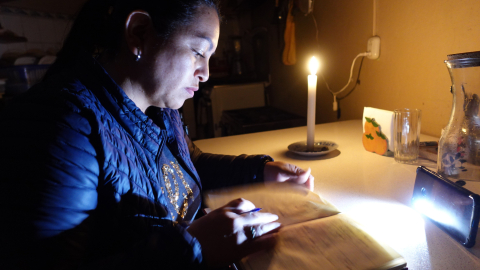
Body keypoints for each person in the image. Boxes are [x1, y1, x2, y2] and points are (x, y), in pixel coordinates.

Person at [0, 0, 314, 269]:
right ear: (139, 33)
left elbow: (186, 165)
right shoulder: (64, 127)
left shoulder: (160, 109)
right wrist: (193, 248)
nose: (205, 71)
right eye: (198, 52)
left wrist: (259, 171)